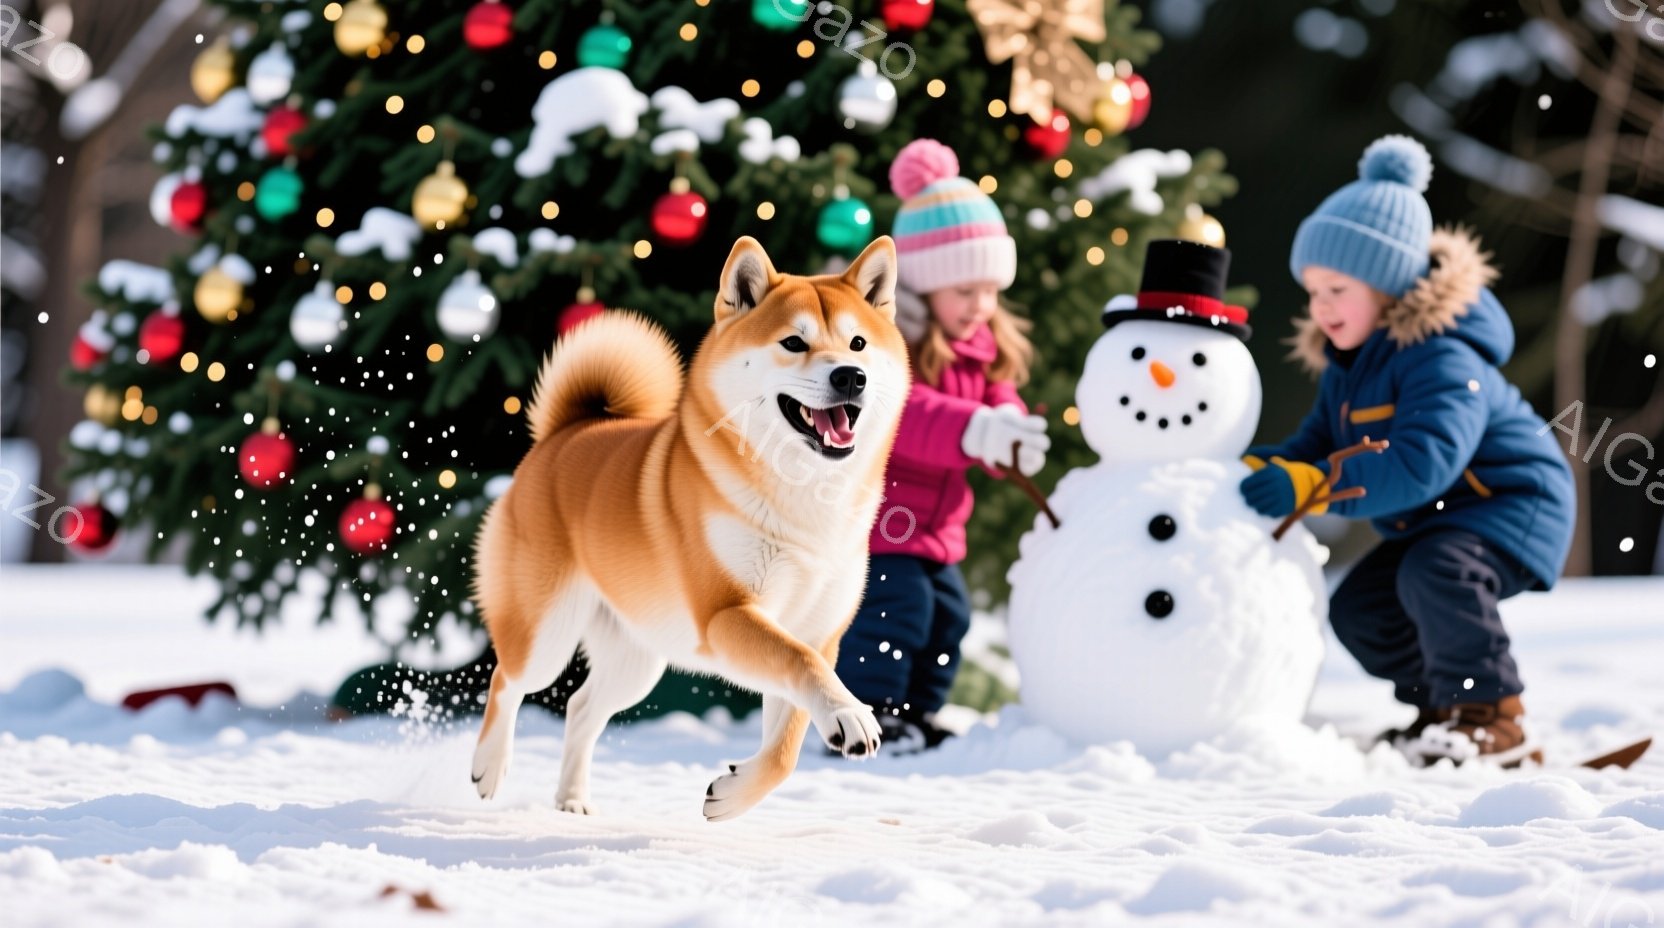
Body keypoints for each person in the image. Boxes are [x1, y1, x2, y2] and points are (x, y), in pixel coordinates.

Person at [1240, 134, 1574, 767]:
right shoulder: (1350, 366)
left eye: (1337, 288)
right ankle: (1443, 711)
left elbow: (1424, 462)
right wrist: (1267, 466)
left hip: (1510, 502)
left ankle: (1492, 716)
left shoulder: (1444, 355)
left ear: (1389, 284)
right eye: (1312, 290)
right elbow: (1318, 443)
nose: (1320, 307)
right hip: (1444, 518)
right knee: (1361, 610)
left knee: (1437, 572)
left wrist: (1314, 486)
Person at [834, 138, 1049, 754]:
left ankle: (916, 714)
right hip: (883, 518)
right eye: (964, 292)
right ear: (923, 286)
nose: (981, 307)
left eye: (989, 291)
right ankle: (864, 713)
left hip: (938, 526)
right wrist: (974, 429)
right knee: (894, 609)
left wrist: (1011, 431)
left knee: (948, 616)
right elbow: (901, 409)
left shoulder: (982, 345)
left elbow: (1000, 394)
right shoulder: (884, 343)